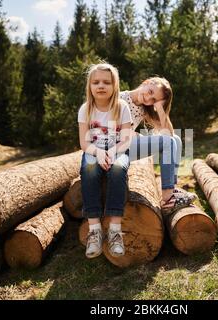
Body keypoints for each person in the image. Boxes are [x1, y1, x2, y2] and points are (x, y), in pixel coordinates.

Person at [78, 63, 133, 259]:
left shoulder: (122, 107)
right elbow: (84, 143)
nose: (101, 86)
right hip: (93, 150)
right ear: (90, 86)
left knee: (117, 169)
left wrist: (111, 151)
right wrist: (99, 153)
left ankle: (115, 230)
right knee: (90, 167)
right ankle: (94, 230)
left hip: (117, 150)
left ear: (114, 85)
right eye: (96, 82)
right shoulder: (86, 109)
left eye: (106, 82)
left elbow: (126, 139)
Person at [119, 77, 197, 215]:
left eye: (153, 99)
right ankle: (168, 198)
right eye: (150, 91)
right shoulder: (120, 99)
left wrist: (160, 108)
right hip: (115, 149)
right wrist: (133, 135)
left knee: (176, 140)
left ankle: (172, 189)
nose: (148, 98)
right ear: (146, 82)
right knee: (168, 142)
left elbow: (169, 133)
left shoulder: (144, 107)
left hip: (127, 146)